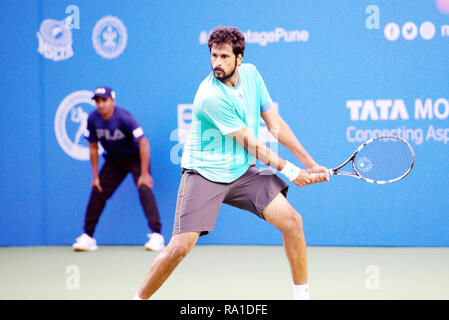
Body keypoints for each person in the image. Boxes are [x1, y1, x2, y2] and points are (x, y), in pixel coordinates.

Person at [134, 26, 328, 300]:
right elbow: (250, 143)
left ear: (239, 59)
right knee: (180, 247)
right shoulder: (210, 96)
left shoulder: (252, 75)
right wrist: (292, 170)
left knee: (293, 222)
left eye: (224, 56)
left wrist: (310, 163)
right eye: (213, 56)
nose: (217, 63)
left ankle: (302, 297)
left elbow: (275, 125)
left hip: (241, 173)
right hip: (204, 174)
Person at [72, 86, 165, 252]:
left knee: (144, 188)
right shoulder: (93, 119)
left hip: (135, 159)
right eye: (97, 101)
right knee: (98, 190)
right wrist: (95, 176)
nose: (101, 105)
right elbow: (93, 146)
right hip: (114, 161)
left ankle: (157, 236)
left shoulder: (124, 118)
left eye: (104, 101)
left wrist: (144, 174)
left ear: (112, 101)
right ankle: (88, 237)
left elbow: (143, 142)